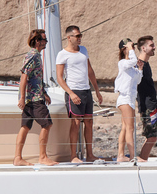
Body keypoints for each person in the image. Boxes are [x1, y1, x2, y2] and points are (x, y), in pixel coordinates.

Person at [56, 25, 104, 162]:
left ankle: (90, 154)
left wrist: (97, 90)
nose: (79, 38)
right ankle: (73, 156)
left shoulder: (83, 50)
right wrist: (70, 93)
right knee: (76, 123)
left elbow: (90, 70)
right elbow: (60, 77)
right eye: (77, 36)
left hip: (86, 90)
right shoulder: (62, 54)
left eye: (80, 35)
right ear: (69, 37)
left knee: (89, 122)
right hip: (74, 90)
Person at [14, 29, 58, 166]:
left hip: (34, 97)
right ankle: (43, 157)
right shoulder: (33, 56)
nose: (46, 42)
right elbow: (24, 77)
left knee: (25, 126)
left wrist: (44, 92)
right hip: (34, 99)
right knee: (47, 124)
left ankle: (17, 158)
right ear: (38, 41)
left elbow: (36, 78)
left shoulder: (35, 55)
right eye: (44, 40)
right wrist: (22, 98)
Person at [114, 38, 144, 162]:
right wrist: (131, 51)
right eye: (131, 46)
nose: (133, 49)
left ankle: (121, 155)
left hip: (130, 99)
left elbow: (138, 81)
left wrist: (140, 69)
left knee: (125, 128)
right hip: (125, 98)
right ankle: (133, 156)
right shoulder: (122, 63)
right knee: (130, 128)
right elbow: (132, 61)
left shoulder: (132, 67)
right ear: (124, 48)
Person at [136, 36, 157, 162]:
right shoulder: (139, 64)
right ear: (143, 48)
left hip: (151, 105)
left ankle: (142, 159)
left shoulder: (145, 64)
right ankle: (141, 159)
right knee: (151, 136)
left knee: (151, 136)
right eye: (151, 45)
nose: (154, 47)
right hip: (147, 106)